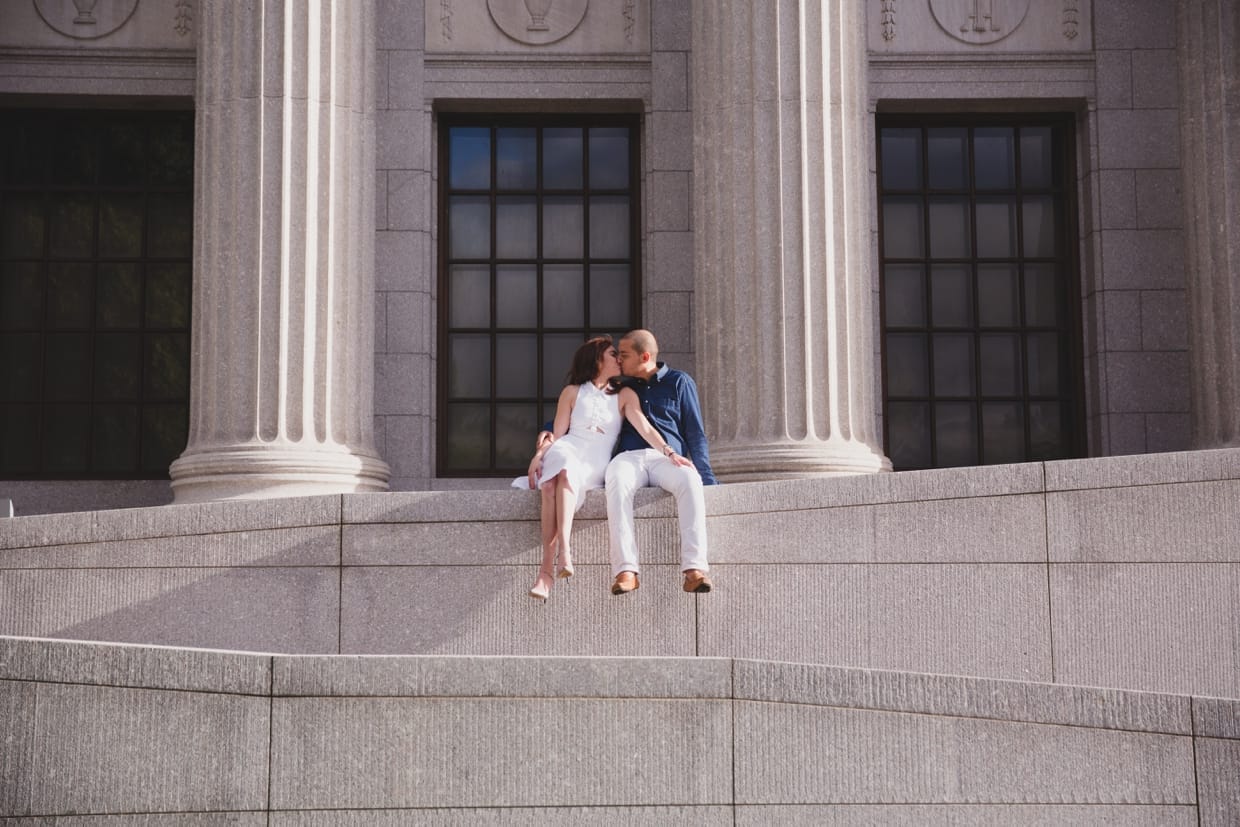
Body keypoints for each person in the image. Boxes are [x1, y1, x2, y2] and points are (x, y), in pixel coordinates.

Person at [516, 336, 693, 601]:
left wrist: (669, 452)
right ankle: (558, 556)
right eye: (613, 354)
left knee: (559, 478)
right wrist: (540, 453)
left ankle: (550, 568)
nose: (619, 359)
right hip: (569, 447)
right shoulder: (572, 392)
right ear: (598, 359)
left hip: (596, 459)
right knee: (557, 474)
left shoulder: (625, 394)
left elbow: (644, 427)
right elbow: (558, 432)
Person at [605, 329, 718, 596]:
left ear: (644, 356)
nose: (619, 361)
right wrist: (550, 429)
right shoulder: (622, 387)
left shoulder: (679, 382)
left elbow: (694, 433)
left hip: (667, 459)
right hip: (629, 457)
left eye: (624, 355)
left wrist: (707, 478)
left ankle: (694, 570)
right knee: (617, 480)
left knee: (691, 480)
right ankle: (626, 570)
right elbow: (588, 410)